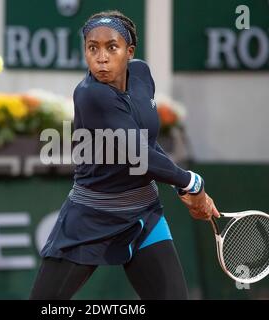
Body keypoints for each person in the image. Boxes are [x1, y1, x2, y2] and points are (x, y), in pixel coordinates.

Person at [30, 10, 220, 300]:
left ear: (129, 52)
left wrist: (178, 183)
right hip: (92, 217)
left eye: (112, 47)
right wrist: (191, 183)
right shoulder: (91, 95)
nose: (101, 57)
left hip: (145, 215)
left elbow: (148, 142)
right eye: (92, 48)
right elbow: (137, 153)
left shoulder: (142, 74)